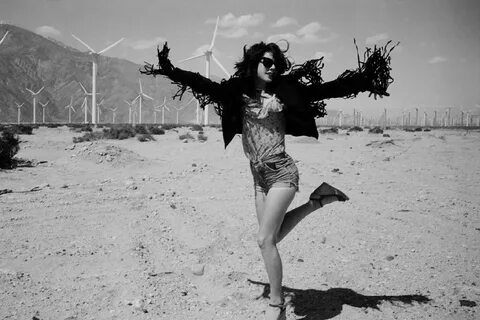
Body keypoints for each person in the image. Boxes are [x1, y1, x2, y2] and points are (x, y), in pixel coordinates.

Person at [142, 39, 395, 320]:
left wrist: (365, 78)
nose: (273, 67)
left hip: (282, 171)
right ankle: (318, 200)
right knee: (271, 238)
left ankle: (278, 306)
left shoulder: (286, 91)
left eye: (276, 63)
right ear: (254, 65)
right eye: (267, 62)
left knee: (264, 240)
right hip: (258, 175)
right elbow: (203, 84)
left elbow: (329, 89)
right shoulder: (237, 91)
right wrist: (168, 68)